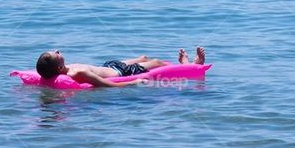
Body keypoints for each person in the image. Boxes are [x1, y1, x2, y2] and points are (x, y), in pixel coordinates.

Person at [35, 48, 206, 87]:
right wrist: (133, 83)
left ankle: (186, 64)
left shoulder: (65, 68)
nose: (57, 51)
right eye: (56, 54)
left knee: (144, 58)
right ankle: (190, 66)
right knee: (157, 63)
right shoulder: (79, 73)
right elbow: (107, 85)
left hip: (109, 65)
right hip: (120, 72)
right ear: (59, 68)